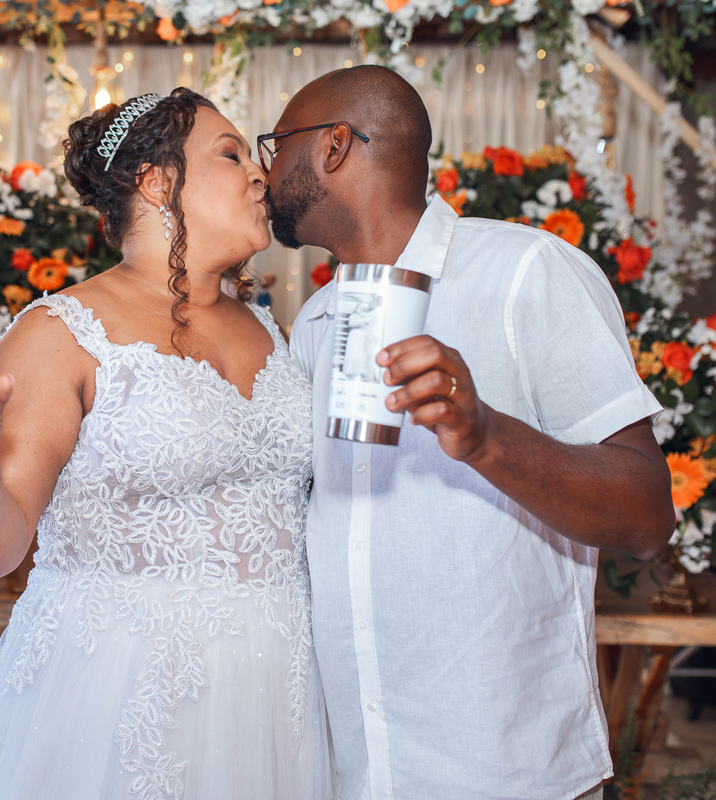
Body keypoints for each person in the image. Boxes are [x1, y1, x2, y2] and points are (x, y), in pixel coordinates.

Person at [0, 88, 330, 799]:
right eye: (231, 154)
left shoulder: (268, 326)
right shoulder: (60, 333)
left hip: (277, 687)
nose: (259, 173)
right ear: (155, 181)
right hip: (116, 688)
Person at [262, 66, 676, 800]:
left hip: (508, 769)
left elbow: (646, 516)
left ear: (333, 146)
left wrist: (485, 437)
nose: (265, 172)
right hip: (356, 771)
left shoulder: (527, 273)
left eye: (277, 145)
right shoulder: (319, 323)